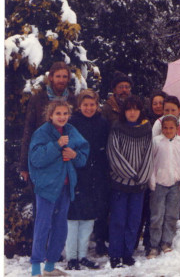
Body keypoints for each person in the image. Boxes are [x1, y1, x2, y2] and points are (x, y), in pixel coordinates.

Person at [29, 100, 89, 277]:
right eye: (58, 114)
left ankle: (49, 267)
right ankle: (35, 270)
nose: (62, 117)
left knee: (60, 227)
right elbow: (36, 159)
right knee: (43, 225)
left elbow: (83, 156)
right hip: (47, 187)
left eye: (65, 113)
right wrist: (56, 145)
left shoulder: (71, 131)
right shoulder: (42, 133)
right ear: (50, 115)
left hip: (65, 186)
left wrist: (74, 154)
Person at [106, 96, 154, 268]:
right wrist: (130, 174)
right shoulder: (117, 128)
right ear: (124, 111)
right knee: (118, 219)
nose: (132, 112)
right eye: (129, 109)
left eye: (136, 109)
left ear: (140, 111)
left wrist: (141, 177)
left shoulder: (146, 129)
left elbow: (149, 154)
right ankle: (115, 254)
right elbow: (113, 154)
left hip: (139, 185)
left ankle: (127, 253)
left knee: (134, 220)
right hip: (120, 183)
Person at [65, 90, 109, 270]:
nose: (89, 108)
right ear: (79, 106)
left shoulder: (103, 122)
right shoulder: (72, 123)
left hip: (97, 172)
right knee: (74, 215)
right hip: (77, 172)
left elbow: (106, 146)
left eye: (92, 104)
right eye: (85, 105)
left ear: (97, 105)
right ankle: (71, 256)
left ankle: (85, 252)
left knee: (91, 214)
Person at [20, 61, 77, 183]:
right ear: (51, 77)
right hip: (43, 157)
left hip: (65, 160)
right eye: (58, 76)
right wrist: (24, 165)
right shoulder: (38, 99)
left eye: (64, 77)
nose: (61, 80)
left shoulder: (73, 100)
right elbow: (28, 131)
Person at [146, 115, 180, 259]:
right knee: (157, 216)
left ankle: (166, 242)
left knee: (171, 215)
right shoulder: (156, 142)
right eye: (165, 127)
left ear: (177, 129)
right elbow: (151, 163)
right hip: (159, 184)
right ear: (161, 128)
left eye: (171, 128)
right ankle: (154, 245)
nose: (168, 130)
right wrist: (152, 181)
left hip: (175, 185)